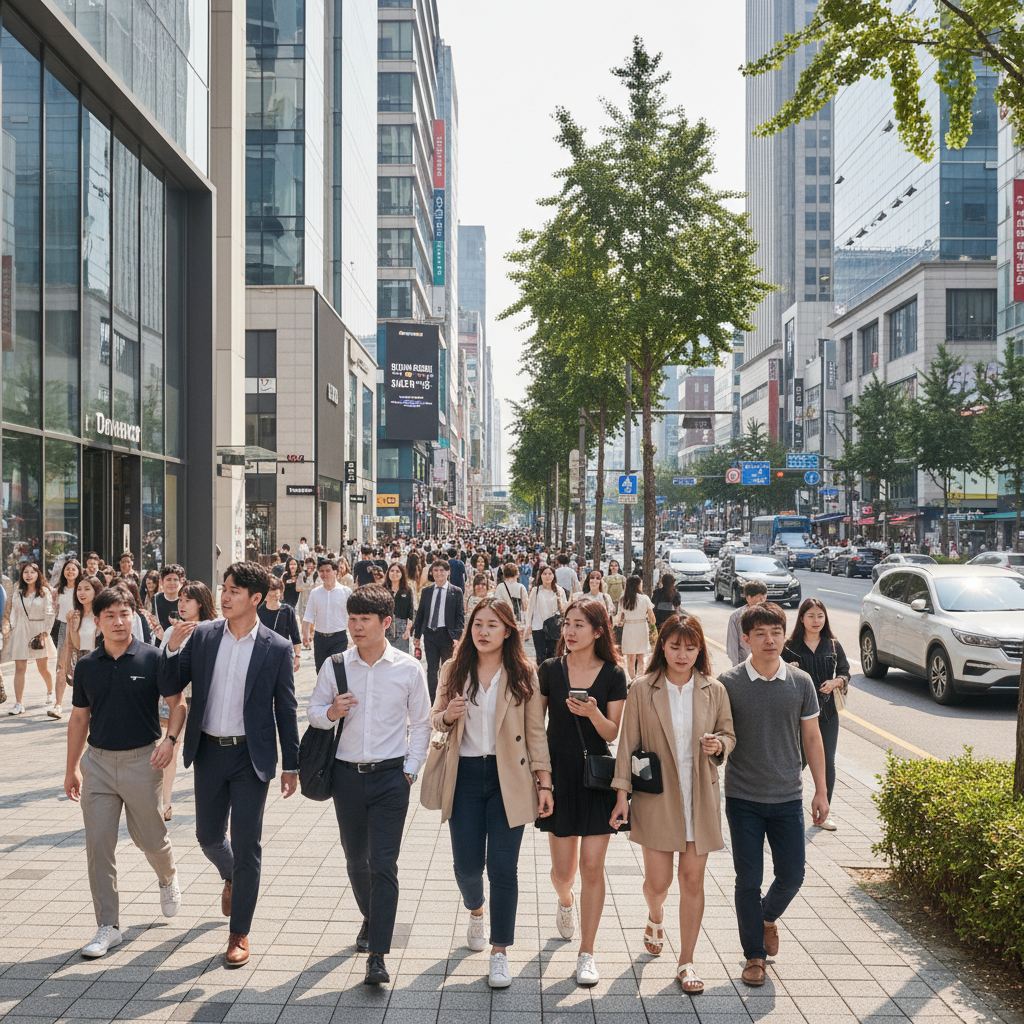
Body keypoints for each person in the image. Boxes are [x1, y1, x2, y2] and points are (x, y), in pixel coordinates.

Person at [159, 561, 300, 967]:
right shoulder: (202, 636)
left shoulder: (276, 646)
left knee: (248, 843)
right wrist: (170, 648)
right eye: (224, 588)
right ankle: (233, 876)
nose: (224, 595)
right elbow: (171, 684)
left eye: (235, 590)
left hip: (250, 756)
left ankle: (239, 933)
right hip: (209, 750)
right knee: (206, 836)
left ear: (256, 598)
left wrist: (291, 764)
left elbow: (286, 709)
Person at [306, 584, 431, 986]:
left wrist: (411, 770)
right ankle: (370, 916)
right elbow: (312, 711)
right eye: (352, 619)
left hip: (392, 777)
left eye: (364, 620)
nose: (356, 627)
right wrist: (330, 711)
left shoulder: (408, 668)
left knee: (384, 864)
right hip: (346, 776)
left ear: (385, 623)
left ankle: (377, 954)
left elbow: (423, 723)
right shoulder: (336, 664)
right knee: (355, 858)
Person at [428, 599, 553, 989]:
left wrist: (544, 782)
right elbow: (434, 718)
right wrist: (448, 714)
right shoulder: (453, 669)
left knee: (503, 868)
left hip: (508, 779)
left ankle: (500, 952)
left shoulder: (523, 673)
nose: (483, 632)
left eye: (493, 625)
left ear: (508, 631)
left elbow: (535, 733)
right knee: (466, 866)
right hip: (463, 775)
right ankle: (475, 909)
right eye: (478, 624)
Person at [610, 615, 736, 995]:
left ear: (700, 649)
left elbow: (729, 733)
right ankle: (655, 914)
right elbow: (626, 745)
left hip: (700, 796)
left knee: (692, 880)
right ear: (661, 645)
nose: (683, 654)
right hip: (656, 798)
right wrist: (621, 795)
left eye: (691, 646)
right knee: (658, 882)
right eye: (675, 645)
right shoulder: (641, 689)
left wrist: (720, 746)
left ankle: (687, 960)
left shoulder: (714, 689)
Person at [64, 584, 185, 958]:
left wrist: (170, 741)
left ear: (134, 616)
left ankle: (167, 877)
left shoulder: (152, 658)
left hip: (142, 761)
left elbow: (177, 704)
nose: (119, 621)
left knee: (150, 839)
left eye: (125, 614)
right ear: (97, 622)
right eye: (110, 616)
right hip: (97, 764)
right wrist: (71, 769)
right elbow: (79, 718)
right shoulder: (86, 666)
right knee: (99, 847)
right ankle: (108, 926)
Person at [717, 602, 829, 987]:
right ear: (745, 639)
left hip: (787, 796)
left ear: (785, 635)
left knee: (792, 875)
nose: (769, 640)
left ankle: (765, 918)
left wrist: (821, 790)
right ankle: (754, 956)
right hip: (743, 797)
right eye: (760, 633)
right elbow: (721, 736)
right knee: (747, 878)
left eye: (776, 632)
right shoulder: (727, 683)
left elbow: (812, 739)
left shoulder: (800, 683)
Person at [539, 597, 627, 986]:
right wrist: (541, 780)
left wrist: (593, 713)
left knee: (592, 866)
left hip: (595, 779)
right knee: (564, 872)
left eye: (579, 625)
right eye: (567, 624)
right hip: (559, 778)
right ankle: (565, 901)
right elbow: (537, 727)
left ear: (598, 631)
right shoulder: (550, 670)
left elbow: (613, 733)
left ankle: (586, 953)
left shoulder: (613, 673)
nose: (570, 631)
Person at [783, 599, 851, 832]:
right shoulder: (790, 646)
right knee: (798, 761)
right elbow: (773, 671)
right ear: (801, 618)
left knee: (827, 762)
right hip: (799, 714)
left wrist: (836, 682)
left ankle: (824, 812)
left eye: (820, 616)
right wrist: (787, 668)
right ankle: (783, 806)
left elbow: (845, 672)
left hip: (828, 712)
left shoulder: (833, 645)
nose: (816, 621)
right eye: (811, 616)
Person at [158, 581, 217, 819]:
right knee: (168, 749)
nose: (181, 604)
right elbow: (162, 665)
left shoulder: (215, 628)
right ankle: (165, 803)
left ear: (200, 603)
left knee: (208, 753)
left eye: (187, 600)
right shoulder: (173, 630)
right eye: (180, 599)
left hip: (205, 699)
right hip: (175, 699)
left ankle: (213, 805)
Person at [5, 561, 56, 716]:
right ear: (22, 575)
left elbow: (50, 612)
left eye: (32, 572)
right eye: (25, 572)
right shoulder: (17, 591)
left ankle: (49, 691)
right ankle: (19, 703)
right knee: (20, 668)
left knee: (43, 668)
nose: (28, 575)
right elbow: (13, 612)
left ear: (37, 574)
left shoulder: (45, 592)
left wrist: (46, 631)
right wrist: (13, 628)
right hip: (21, 630)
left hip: (39, 630)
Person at [412, 559, 466, 702]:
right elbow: (421, 614)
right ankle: (433, 700)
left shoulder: (456, 592)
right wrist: (417, 635)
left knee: (447, 668)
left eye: (442, 570)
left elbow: (460, 616)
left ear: (448, 573)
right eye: (435, 570)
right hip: (430, 634)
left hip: (447, 635)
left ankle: (447, 697)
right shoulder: (427, 591)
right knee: (431, 669)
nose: (439, 573)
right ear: (432, 573)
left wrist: (457, 636)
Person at [55, 575, 105, 721]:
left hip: (102, 667)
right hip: (82, 668)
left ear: (96, 591)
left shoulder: (103, 615)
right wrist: (64, 668)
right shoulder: (72, 615)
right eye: (79, 589)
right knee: (83, 713)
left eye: (87, 589)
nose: (82, 593)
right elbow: (70, 645)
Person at [302, 559, 353, 672]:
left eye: (328, 571)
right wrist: (305, 635)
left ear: (335, 572)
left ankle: (338, 690)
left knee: (338, 670)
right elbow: (309, 615)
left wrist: (354, 636)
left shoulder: (346, 592)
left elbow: (352, 616)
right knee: (321, 671)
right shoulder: (315, 593)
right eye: (322, 571)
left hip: (339, 637)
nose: (324, 574)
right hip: (320, 638)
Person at [524, 565, 568, 666]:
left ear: (554, 576)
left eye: (550, 574)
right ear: (540, 576)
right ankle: (542, 678)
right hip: (538, 627)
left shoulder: (559, 590)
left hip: (554, 627)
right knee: (540, 656)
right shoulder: (536, 590)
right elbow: (530, 609)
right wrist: (528, 626)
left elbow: (564, 609)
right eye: (545, 574)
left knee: (553, 655)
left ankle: (552, 678)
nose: (547, 576)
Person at [258, 577, 302, 674]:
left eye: (277, 593)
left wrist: (297, 657)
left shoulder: (287, 611)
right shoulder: (258, 611)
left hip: (283, 656)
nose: (274, 596)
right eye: (270, 593)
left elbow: (295, 636)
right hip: (262, 657)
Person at [615, 575, 655, 680]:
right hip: (641, 626)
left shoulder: (623, 600)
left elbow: (619, 619)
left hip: (629, 628)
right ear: (638, 585)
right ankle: (640, 678)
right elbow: (652, 619)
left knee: (630, 657)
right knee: (641, 656)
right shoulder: (645, 598)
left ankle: (632, 679)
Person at [727, 580, 767, 666]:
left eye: (764, 596)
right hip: (745, 664)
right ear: (748, 598)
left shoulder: (771, 614)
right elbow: (732, 645)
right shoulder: (736, 616)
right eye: (758, 597)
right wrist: (736, 668)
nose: (762, 600)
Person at [53, 558, 82, 668]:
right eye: (67, 569)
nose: (70, 572)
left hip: (80, 627)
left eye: (73, 569)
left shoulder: (83, 588)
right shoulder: (58, 590)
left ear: (78, 571)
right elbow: (54, 610)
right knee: (62, 662)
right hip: (63, 626)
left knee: (77, 660)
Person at [384, 563, 414, 654]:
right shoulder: (383, 589)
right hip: (385, 628)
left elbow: (411, 612)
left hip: (402, 628)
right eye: (392, 571)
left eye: (397, 571)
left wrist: (408, 630)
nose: (394, 573)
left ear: (402, 574)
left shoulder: (407, 591)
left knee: (401, 658)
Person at [493, 563, 528, 628]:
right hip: (518, 622)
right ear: (517, 574)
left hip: (504, 620)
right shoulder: (521, 587)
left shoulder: (500, 587)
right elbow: (525, 606)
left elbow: (497, 605)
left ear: (504, 575)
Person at [155, 565, 186, 632]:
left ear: (181, 582)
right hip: (160, 641)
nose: (172, 583)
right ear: (161, 582)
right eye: (168, 580)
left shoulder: (187, 600)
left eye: (175, 580)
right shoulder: (155, 599)